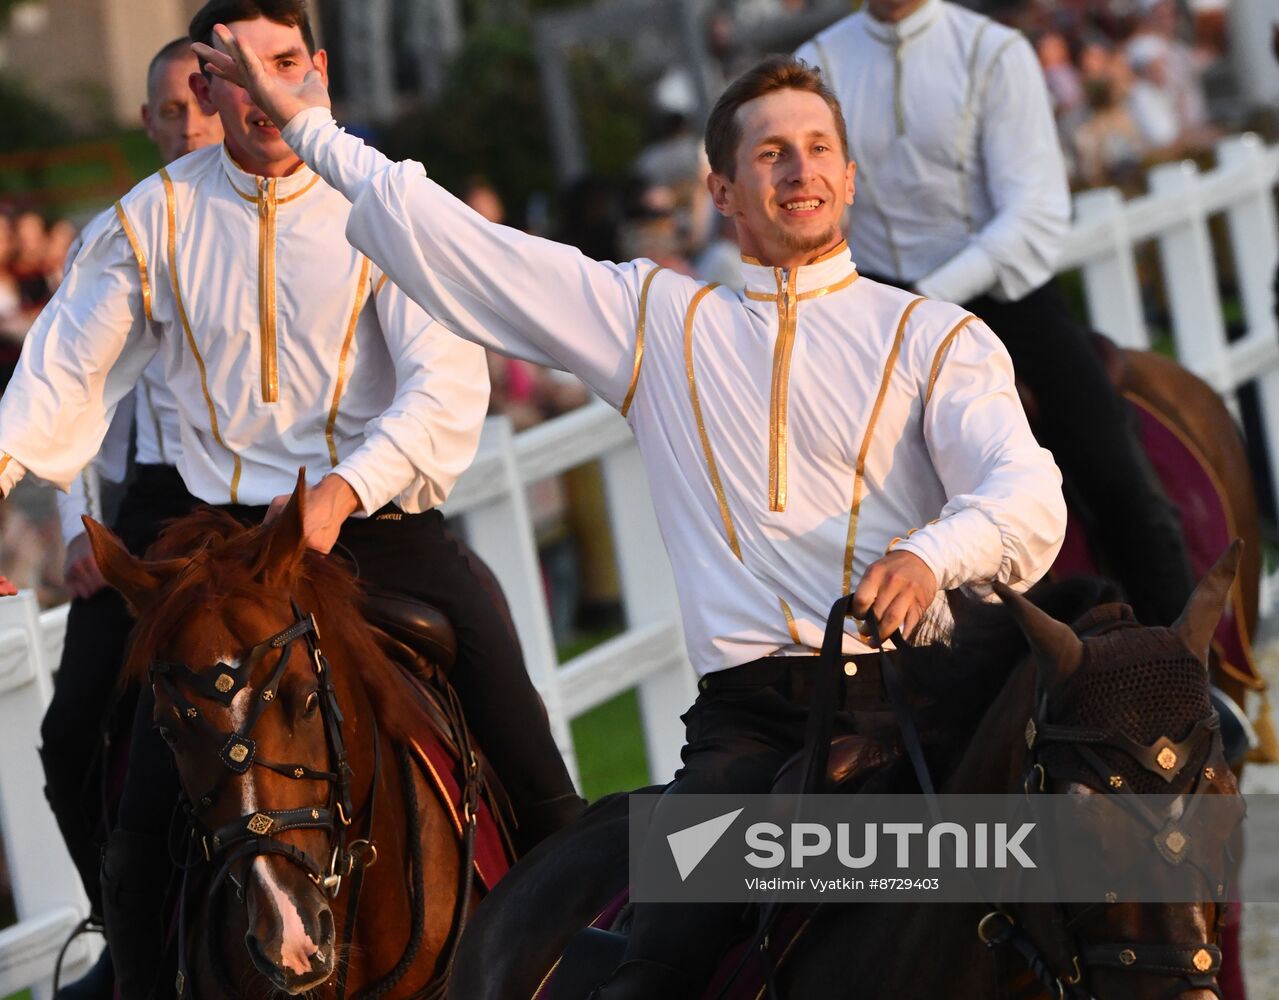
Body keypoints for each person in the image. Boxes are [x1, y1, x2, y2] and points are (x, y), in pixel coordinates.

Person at [195, 37, 1067, 997]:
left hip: (933, 701)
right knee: (654, 968)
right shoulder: (660, 323)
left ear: (850, 179)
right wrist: (310, 128)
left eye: (818, 147)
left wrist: (930, 554)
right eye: (769, 152)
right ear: (723, 193)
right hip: (750, 736)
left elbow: (1026, 496)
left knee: (1124, 880)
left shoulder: (937, 335)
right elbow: (471, 249)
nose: (799, 168)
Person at [0, 3, 580, 996]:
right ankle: (136, 972)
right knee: (132, 826)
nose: (263, 89)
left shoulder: (387, 199)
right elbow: (59, 372)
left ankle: (576, 953)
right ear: (205, 90)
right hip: (217, 545)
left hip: (376, 525)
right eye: (236, 70)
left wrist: (346, 489)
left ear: (317, 69)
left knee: (536, 768)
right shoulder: (148, 220)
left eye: (282, 63)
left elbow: (445, 383)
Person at [796, 0, 1196, 629]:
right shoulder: (813, 64)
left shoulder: (992, 51)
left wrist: (927, 296)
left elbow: (1030, 211)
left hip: (1002, 299)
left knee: (1115, 477)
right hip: (872, 315)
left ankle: (1188, 678)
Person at [41, 37, 222, 1000]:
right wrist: (79, 523)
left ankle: (552, 878)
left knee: (470, 666)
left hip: (293, 506)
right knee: (70, 731)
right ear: (147, 125)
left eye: (205, 101)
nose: (190, 122)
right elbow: (71, 397)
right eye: (170, 109)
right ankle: (125, 934)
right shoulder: (113, 238)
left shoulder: (323, 211)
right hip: (151, 512)